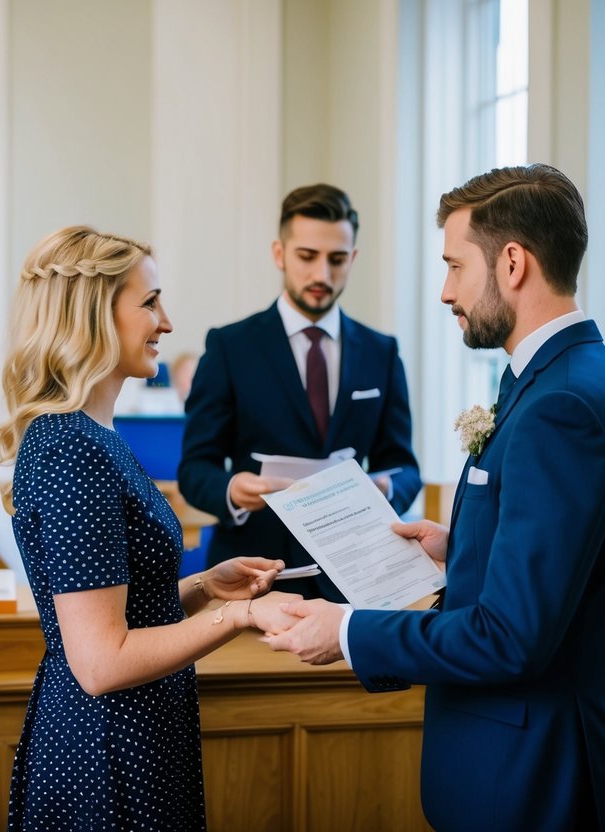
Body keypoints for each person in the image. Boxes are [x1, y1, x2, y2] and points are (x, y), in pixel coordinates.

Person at [267, 165, 605, 831]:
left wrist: (349, 630)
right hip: (517, 763)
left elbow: (510, 639)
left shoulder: (560, 405)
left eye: (454, 266)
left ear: (510, 263)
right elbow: (550, 571)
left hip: (532, 777)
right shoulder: (562, 380)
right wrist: (464, 550)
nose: (445, 292)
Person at [0, 226, 298, 831]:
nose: (167, 321)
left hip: (140, 725)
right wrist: (236, 617)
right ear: (95, 314)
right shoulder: (67, 448)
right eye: (150, 301)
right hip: (107, 745)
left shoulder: (98, 435)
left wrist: (208, 586)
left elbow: (121, 611)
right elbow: (102, 660)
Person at [178, 184, 422, 602]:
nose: (321, 276)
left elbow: (404, 466)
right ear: (280, 254)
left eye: (337, 259)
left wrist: (384, 488)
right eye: (307, 257)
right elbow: (195, 469)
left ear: (353, 259)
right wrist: (233, 490)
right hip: (252, 580)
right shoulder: (229, 347)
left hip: (353, 580)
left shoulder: (382, 352)